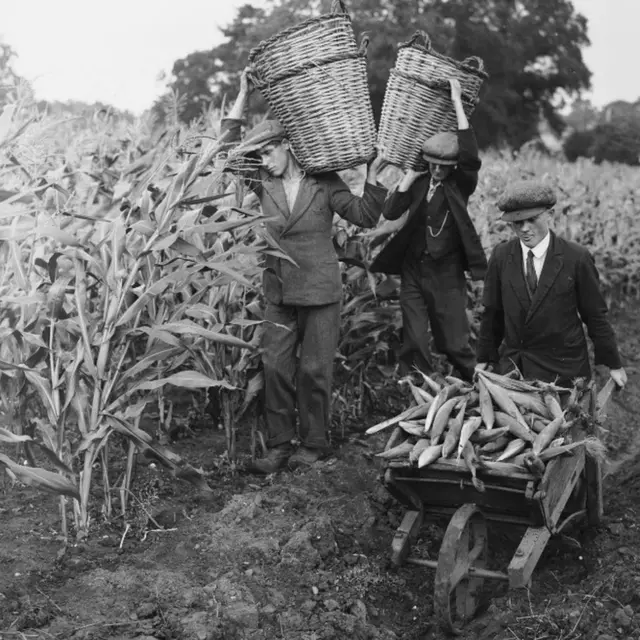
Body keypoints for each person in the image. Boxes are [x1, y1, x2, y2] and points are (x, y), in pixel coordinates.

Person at [222, 69, 389, 473]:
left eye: (268, 153)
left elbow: (366, 216)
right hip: (278, 289)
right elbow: (225, 152)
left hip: (319, 290)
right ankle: (280, 446)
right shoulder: (261, 181)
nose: (262, 161)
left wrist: (373, 172)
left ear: (288, 146)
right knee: (276, 367)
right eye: (259, 155)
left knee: (315, 369)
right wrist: (242, 96)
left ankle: (314, 444)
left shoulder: (324, 182)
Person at [369, 79, 487, 384]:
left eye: (443, 165)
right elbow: (391, 211)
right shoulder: (419, 181)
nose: (436, 170)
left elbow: (471, 156)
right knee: (415, 339)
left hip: (446, 274)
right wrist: (409, 175)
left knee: (454, 343)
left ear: (452, 166)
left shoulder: (460, 185)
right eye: (432, 164)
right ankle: (421, 395)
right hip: (413, 270)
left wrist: (457, 101)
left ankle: (482, 386)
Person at [476, 180, 627, 389]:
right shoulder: (501, 256)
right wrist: (484, 357)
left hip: (563, 372)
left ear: (550, 215)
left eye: (532, 220)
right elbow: (492, 313)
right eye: (517, 223)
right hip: (516, 371)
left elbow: (594, 315)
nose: (525, 229)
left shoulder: (576, 257)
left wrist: (613, 364)